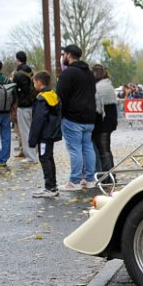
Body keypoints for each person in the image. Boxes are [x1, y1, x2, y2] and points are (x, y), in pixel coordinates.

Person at [55, 44, 97, 191]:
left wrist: (60, 115)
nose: (63, 57)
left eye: (63, 55)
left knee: (75, 150)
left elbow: (60, 97)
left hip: (72, 118)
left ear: (68, 55)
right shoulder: (89, 73)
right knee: (88, 148)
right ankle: (90, 179)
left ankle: (74, 181)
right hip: (89, 117)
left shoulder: (67, 74)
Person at [27, 71, 62, 198]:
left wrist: (32, 139)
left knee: (45, 158)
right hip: (51, 133)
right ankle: (52, 186)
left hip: (43, 135)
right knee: (49, 157)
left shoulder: (41, 99)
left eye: (34, 82)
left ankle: (50, 187)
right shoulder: (53, 95)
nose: (34, 84)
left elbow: (38, 120)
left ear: (39, 82)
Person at [91, 64, 118, 174]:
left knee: (103, 151)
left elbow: (97, 109)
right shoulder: (108, 85)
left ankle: (106, 176)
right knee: (106, 150)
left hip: (101, 124)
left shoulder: (98, 88)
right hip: (110, 122)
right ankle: (110, 174)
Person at [12, 51, 37, 163]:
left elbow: (14, 91)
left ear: (17, 60)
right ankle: (35, 153)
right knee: (33, 130)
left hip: (23, 105)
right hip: (33, 104)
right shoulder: (31, 72)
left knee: (25, 132)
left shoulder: (18, 75)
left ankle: (31, 157)